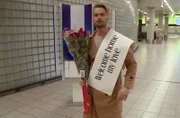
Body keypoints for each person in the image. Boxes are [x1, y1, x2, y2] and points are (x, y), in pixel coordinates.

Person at [79, 4, 137, 118]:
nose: (99, 17)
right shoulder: (88, 41)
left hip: (110, 94)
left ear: (107, 17)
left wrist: (127, 86)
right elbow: (85, 64)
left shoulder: (119, 41)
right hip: (91, 93)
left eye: (102, 14)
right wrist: (82, 77)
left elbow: (132, 64)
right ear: (93, 18)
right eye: (96, 15)